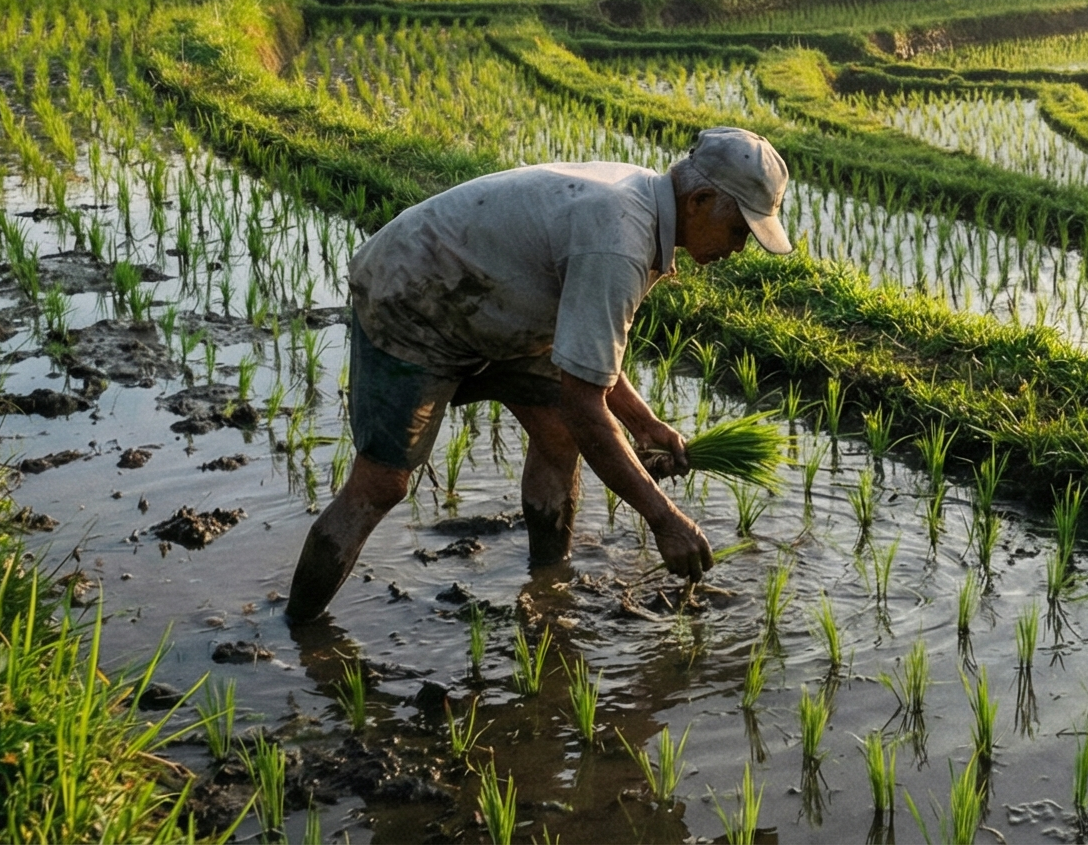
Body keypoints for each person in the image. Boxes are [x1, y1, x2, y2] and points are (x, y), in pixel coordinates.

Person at [284, 126, 791, 625]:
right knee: (382, 484)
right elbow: (586, 406)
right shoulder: (618, 239)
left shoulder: (645, 205)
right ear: (700, 200)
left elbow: (589, 359)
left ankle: (547, 588)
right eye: (740, 230)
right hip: (416, 297)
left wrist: (645, 424)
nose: (739, 248)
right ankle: (299, 630)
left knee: (557, 434)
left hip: (493, 302)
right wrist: (665, 521)